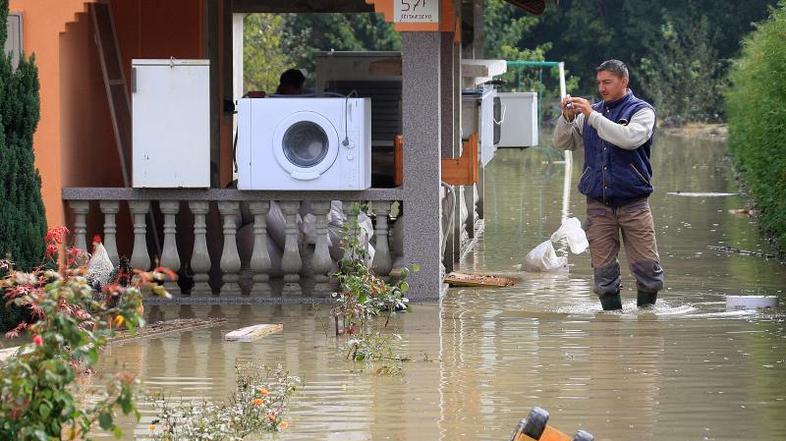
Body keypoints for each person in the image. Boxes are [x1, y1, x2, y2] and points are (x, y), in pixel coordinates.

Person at [553, 59, 664, 311]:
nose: (602, 88)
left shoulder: (642, 111)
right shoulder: (589, 115)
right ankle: (610, 323)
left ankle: (647, 319)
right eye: (599, 83)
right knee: (603, 273)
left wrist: (592, 115)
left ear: (624, 81)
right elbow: (562, 143)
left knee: (648, 269)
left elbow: (629, 138)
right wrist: (567, 118)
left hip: (634, 204)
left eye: (607, 82)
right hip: (598, 206)